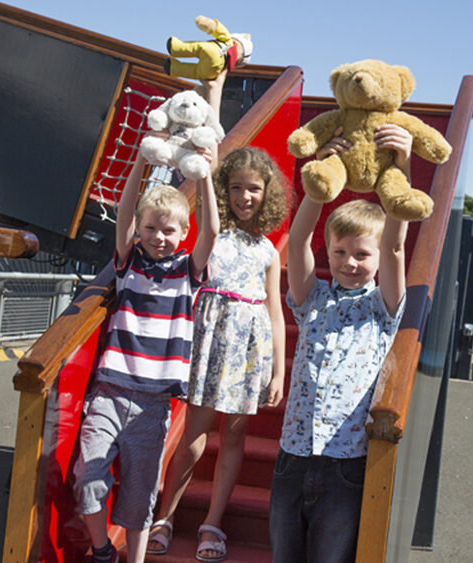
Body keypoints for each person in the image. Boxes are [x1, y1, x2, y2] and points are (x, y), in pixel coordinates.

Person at [269, 124, 415, 563]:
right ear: (328, 252)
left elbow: (393, 246)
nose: (350, 262)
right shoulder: (312, 300)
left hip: (346, 464)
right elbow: (295, 242)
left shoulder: (383, 306)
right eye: (339, 252)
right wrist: (321, 179)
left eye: (360, 254)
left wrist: (401, 167)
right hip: (293, 458)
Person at [72, 139, 219, 563]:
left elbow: (212, 231)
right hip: (111, 391)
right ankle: (103, 550)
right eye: (151, 228)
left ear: (183, 233)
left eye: (169, 230)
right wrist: (141, 158)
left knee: (139, 495)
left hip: (154, 402)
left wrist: (205, 177)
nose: (158, 237)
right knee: (89, 477)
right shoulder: (129, 262)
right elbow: (124, 214)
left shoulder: (188, 271)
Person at [147, 146, 289, 562]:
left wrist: (278, 371)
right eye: (236, 188)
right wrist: (206, 170)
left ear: (268, 194)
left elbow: (275, 313)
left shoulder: (268, 250)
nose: (245, 197)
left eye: (255, 189)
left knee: (235, 435)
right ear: (224, 191)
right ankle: (166, 516)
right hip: (210, 343)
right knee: (194, 435)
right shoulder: (212, 236)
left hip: (249, 351)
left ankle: (213, 522)